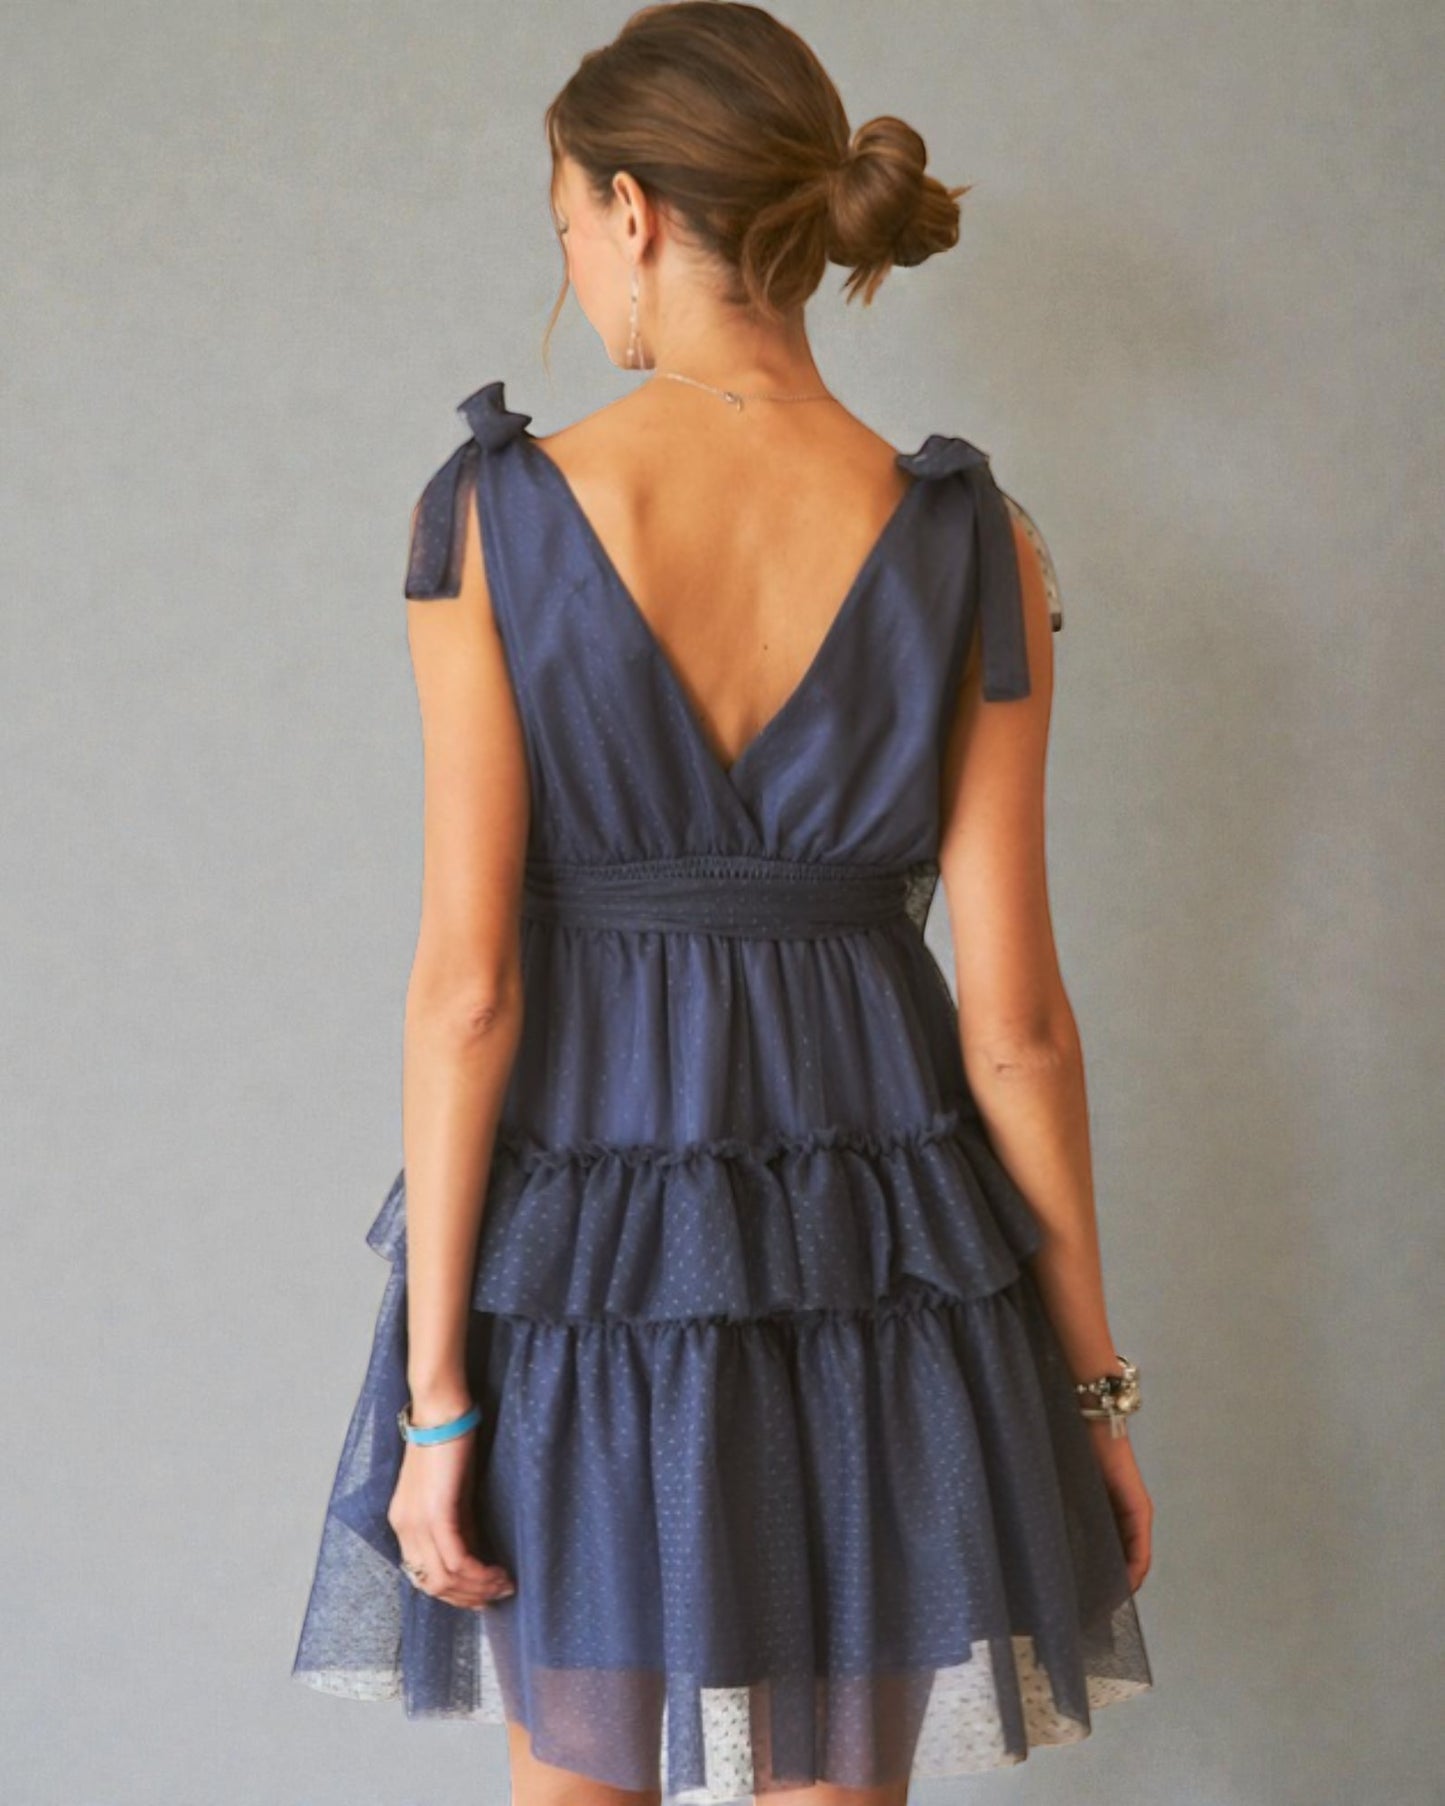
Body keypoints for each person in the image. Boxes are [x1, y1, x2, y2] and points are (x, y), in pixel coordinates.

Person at [291, 6, 1155, 1801]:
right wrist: (1089, 1397)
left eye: (561, 226)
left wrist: (434, 1403)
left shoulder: (499, 517)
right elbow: (1018, 1028)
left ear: (626, 209)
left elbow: (465, 991)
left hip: (593, 1251)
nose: (576, 271)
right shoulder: (971, 541)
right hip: (882, 1252)